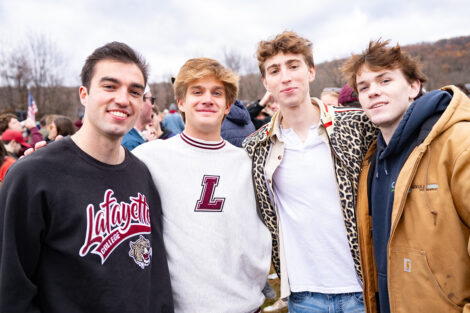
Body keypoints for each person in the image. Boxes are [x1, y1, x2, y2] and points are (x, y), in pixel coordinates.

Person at [0, 41, 173, 313]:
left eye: (135, 91)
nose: (123, 99)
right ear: (84, 94)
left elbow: (156, 274)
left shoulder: (142, 173)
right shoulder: (32, 176)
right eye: (109, 86)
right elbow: (11, 292)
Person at [243, 31, 377, 313]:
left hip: (362, 289)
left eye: (294, 66)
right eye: (275, 71)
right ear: (266, 82)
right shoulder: (257, 147)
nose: (286, 77)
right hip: (305, 296)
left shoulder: (358, 126)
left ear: (311, 71)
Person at [133, 57, 271, 313]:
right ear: (182, 102)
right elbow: (99, 170)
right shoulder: (150, 156)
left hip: (244, 304)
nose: (207, 99)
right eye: (197, 91)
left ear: (228, 105)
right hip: (182, 306)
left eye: (216, 93)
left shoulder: (247, 162)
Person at [341, 39, 470, 313]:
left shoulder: (458, 142)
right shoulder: (372, 162)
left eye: (385, 81)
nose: (373, 92)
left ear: (413, 86)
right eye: (364, 87)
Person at [122, 85, 155, 150]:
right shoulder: (131, 143)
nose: (153, 106)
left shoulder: (133, 136)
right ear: (140, 102)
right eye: (152, 100)